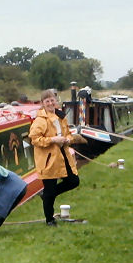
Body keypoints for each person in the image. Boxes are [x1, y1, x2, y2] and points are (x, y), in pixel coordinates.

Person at [29, 89, 79, 226]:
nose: (50, 103)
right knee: (50, 190)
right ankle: (49, 220)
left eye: (52, 100)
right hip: (48, 159)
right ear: (43, 103)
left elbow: (68, 133)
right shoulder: (40, 120)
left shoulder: (61, 116)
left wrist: (68, 139)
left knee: (74, 181)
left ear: (56, 101)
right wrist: (53, 140)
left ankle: (46, 195)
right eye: (47, 101)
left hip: (62, 155)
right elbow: (34, 139)